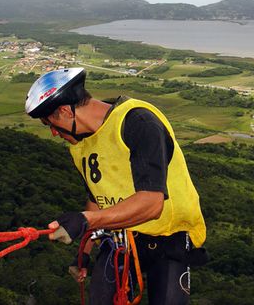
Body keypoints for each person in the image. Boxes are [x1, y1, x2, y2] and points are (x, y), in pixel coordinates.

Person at [25, 67, 207, 305]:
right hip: (120, 238)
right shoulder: (82, 146)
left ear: (65, 110)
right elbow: (97, 198)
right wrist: (84, 253)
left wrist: (86, 221)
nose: (52, 133)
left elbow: (152, 204)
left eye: (50, 123)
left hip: (168, 237)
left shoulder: (138, 122)